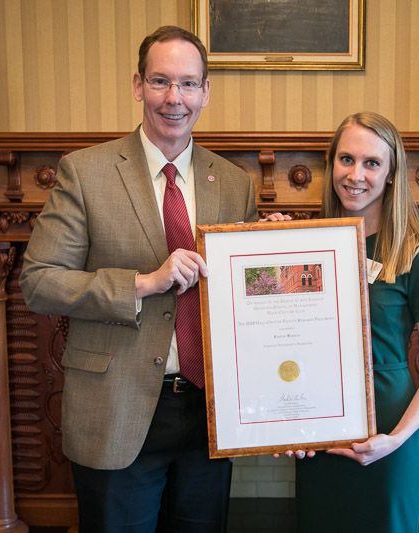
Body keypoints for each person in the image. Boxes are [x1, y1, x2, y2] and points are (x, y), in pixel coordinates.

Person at [19, 26, 257, 532]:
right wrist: (144, 283)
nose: (175, 98)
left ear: (206, 92)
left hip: (206, 416)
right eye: (160, 82)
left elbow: (243, 298)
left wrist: (272, 253)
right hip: (117, 412)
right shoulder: (85, 172)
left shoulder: (235, 185)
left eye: (189, 84)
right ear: (137, 86)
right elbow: (39, 282)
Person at [291, 112, 419, 533]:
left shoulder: (416, 256)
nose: (355, 174)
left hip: (389, 433)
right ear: (331, 166)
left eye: (371, 163)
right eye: (346, 159)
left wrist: (397, 438)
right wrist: (272, 247)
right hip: (322, 433)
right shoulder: (309, 246)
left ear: (390, 174)